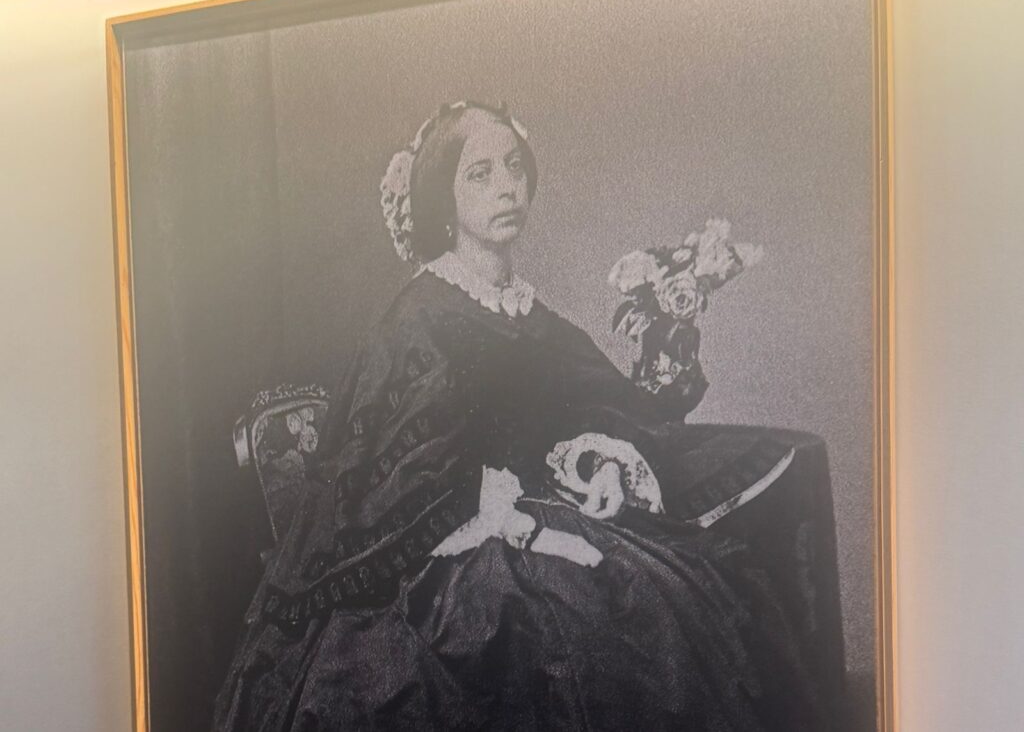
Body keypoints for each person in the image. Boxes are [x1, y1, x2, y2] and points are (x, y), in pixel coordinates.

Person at [213, 102, 825, 731]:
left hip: (552, 509)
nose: (506, 187)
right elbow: (395, 469)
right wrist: (516, 522)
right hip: (450, 555)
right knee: (580, 615)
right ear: (443, 198)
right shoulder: (420, 315)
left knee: (691, 583)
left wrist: (603, 461)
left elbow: (598, 403)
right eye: (479, 174)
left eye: (514, 167)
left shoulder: (529, 313)